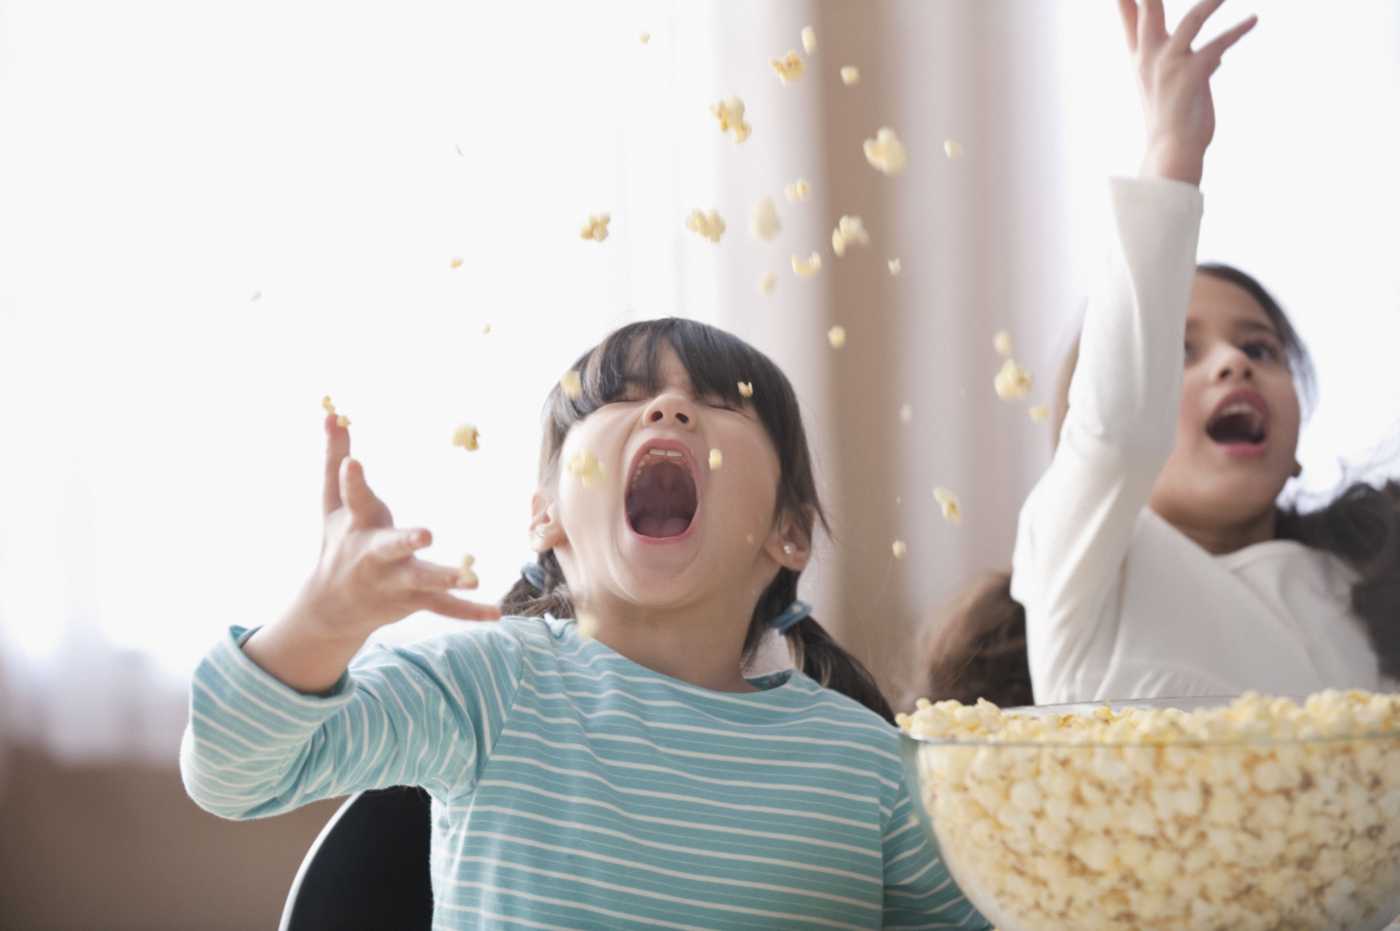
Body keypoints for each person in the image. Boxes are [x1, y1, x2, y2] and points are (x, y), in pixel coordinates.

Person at [180, 317, 990, 929]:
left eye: (720, 403)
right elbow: (234, 774)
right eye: (622, 400)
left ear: (790, 531)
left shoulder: (872, 767)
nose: (669, 409)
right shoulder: (490, 688)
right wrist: (323, 622)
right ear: (547, 517)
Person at [1010, 0, 1400, 705]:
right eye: (1177, 352)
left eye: (1260, 347)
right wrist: (1171, 157)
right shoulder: (1086, 567)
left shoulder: (1363, 585)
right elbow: (1117, 430)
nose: (1233, 362)